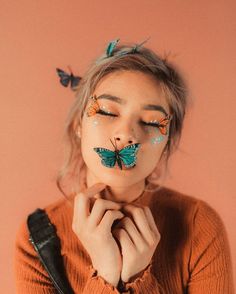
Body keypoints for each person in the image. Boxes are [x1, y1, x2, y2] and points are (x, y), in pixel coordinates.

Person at [14, 39, 234, 293]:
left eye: (152, 122)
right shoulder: (37, 239)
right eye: (107, 112)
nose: (126, 134)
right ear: (78, 124)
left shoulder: (198, 226)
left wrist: (139, 279)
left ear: (166, 143)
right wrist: (105, 274)